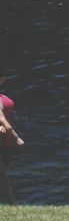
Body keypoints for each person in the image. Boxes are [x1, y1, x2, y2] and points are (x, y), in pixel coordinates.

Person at [0, 76, 24, 205]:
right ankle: (14, 207)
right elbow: (2, 119)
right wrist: (16, 138)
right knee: (3, 180)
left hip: (4, 145)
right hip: (4, 143)